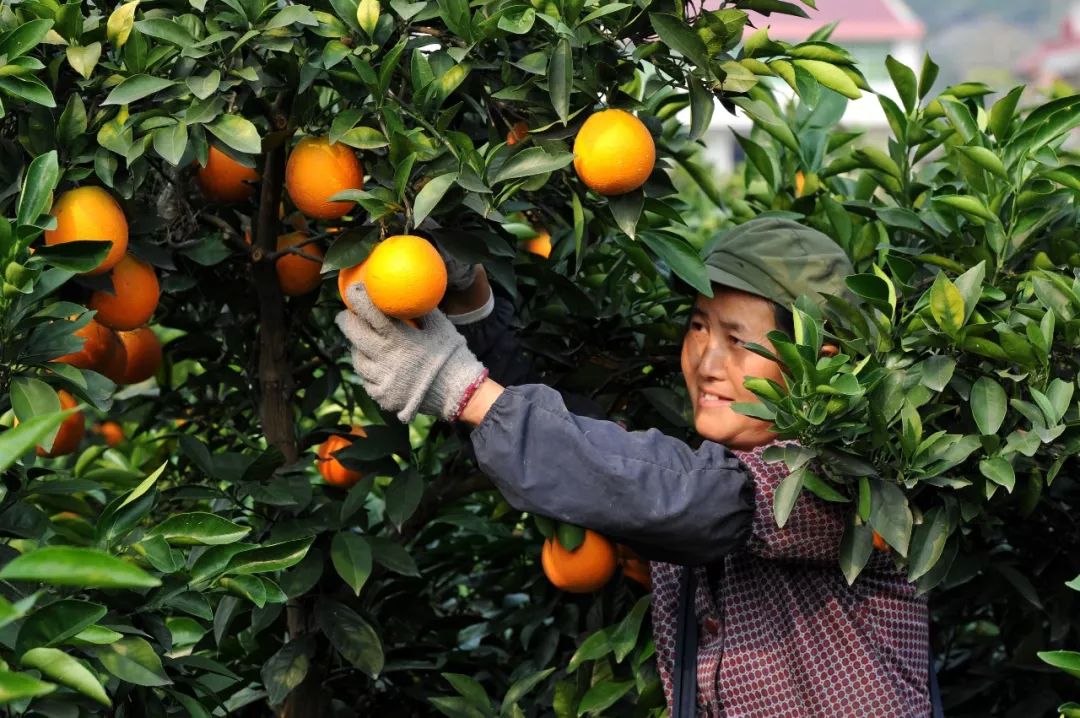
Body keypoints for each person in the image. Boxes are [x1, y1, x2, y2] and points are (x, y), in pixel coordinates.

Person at [336, 218, 933, 717]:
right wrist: (469, 303)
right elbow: (594, 458)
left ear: (817, 361)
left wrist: (461, 389)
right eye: (699, 326)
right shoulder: (700, 467)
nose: (707, 360)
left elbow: (683, 498)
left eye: (739, 340)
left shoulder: (848, 480)